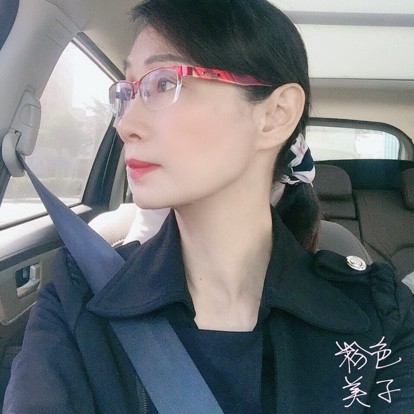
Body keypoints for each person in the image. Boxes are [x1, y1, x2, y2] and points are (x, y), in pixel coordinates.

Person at [4, 0, 414, 413]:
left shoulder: (381, 316)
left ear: (275, 115)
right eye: (128, 93)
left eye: (164, 82)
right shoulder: (80, 296)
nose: (125, 125)